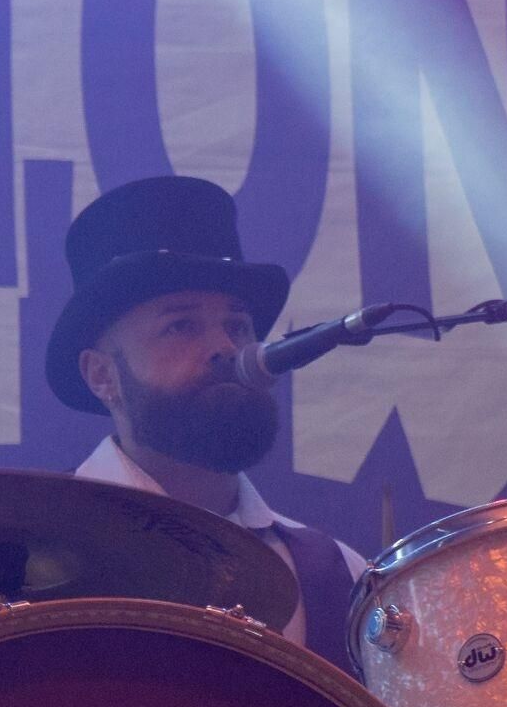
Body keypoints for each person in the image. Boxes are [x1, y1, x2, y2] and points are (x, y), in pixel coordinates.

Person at [44, 174, 366, 673]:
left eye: (237, 325)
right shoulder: (27, 554)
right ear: (102, 375)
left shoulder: (338, 576)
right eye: (181, 325)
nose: (225, 347)